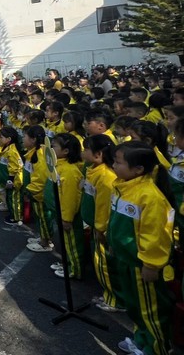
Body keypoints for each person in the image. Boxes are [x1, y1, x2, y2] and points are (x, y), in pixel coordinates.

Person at [109, 142, 174, 355]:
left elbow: (156, 235)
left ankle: (157, 349)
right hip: (125, 259)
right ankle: (141, 340)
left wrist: (151, 265)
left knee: (151, 312)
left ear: (138, 169)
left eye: (118, 162)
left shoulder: (150, 196)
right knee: (135, 307)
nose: (114, 165)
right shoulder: (122, 186)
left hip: (141, 265)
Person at [80, 134, 123, 313]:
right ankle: (108, 294)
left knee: (105, 265)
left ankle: (115, 299)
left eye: (86, 149)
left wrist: (100, 229)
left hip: (101, 230)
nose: (83, 152)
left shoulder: (106, 177)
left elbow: (104, 207)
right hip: (93, 224)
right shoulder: (93, 169)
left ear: (97, 154)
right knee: (100, 263)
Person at [45, 134, 84, 279]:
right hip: (58, 212)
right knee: (64, 241)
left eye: (54, 146)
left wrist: (67, 218)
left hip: (67, 216)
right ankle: (67, 263)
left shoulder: (69, 171)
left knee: (72, 244)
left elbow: (70, 198)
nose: (50, 149)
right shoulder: (58, 165)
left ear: (66, 151)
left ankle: (75, 270)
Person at [23, 125, 52, 253]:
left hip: (39, 194)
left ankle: (46, 242)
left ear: (33, 139)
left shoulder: (40, 154)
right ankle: (42, 237)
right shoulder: (32, 152)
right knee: (40, 217)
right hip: (34, 193)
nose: (23, 139)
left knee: (43, 217)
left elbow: (40, 178)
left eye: (25, 137)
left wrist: (31, 191)